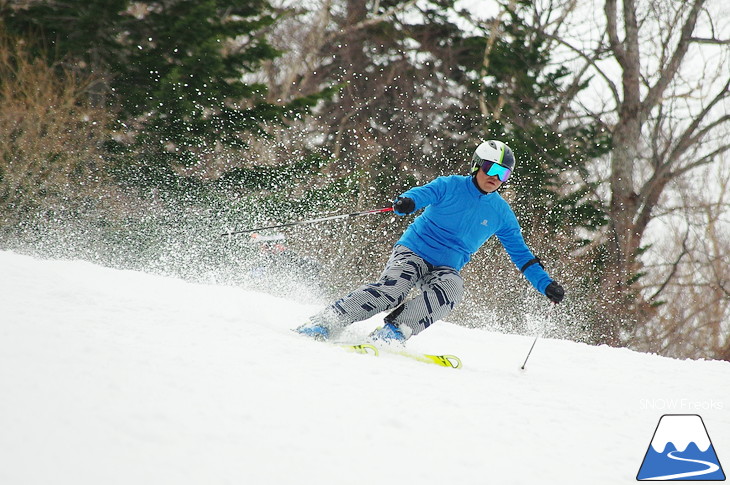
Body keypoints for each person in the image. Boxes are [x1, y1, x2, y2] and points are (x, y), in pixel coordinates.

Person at [296, 140, 565, 343]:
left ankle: (395, 330)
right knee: (394, 290)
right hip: (413, 251)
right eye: (491, 168)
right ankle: (328, 320)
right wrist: (408, 202)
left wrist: (546, 284)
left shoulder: (501, 213)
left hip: (445, 267)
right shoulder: (451, 185)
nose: (495, 177)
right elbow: (422, 194)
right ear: (477, 165)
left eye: (503, 174)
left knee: (453, 289)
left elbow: (522, 255)